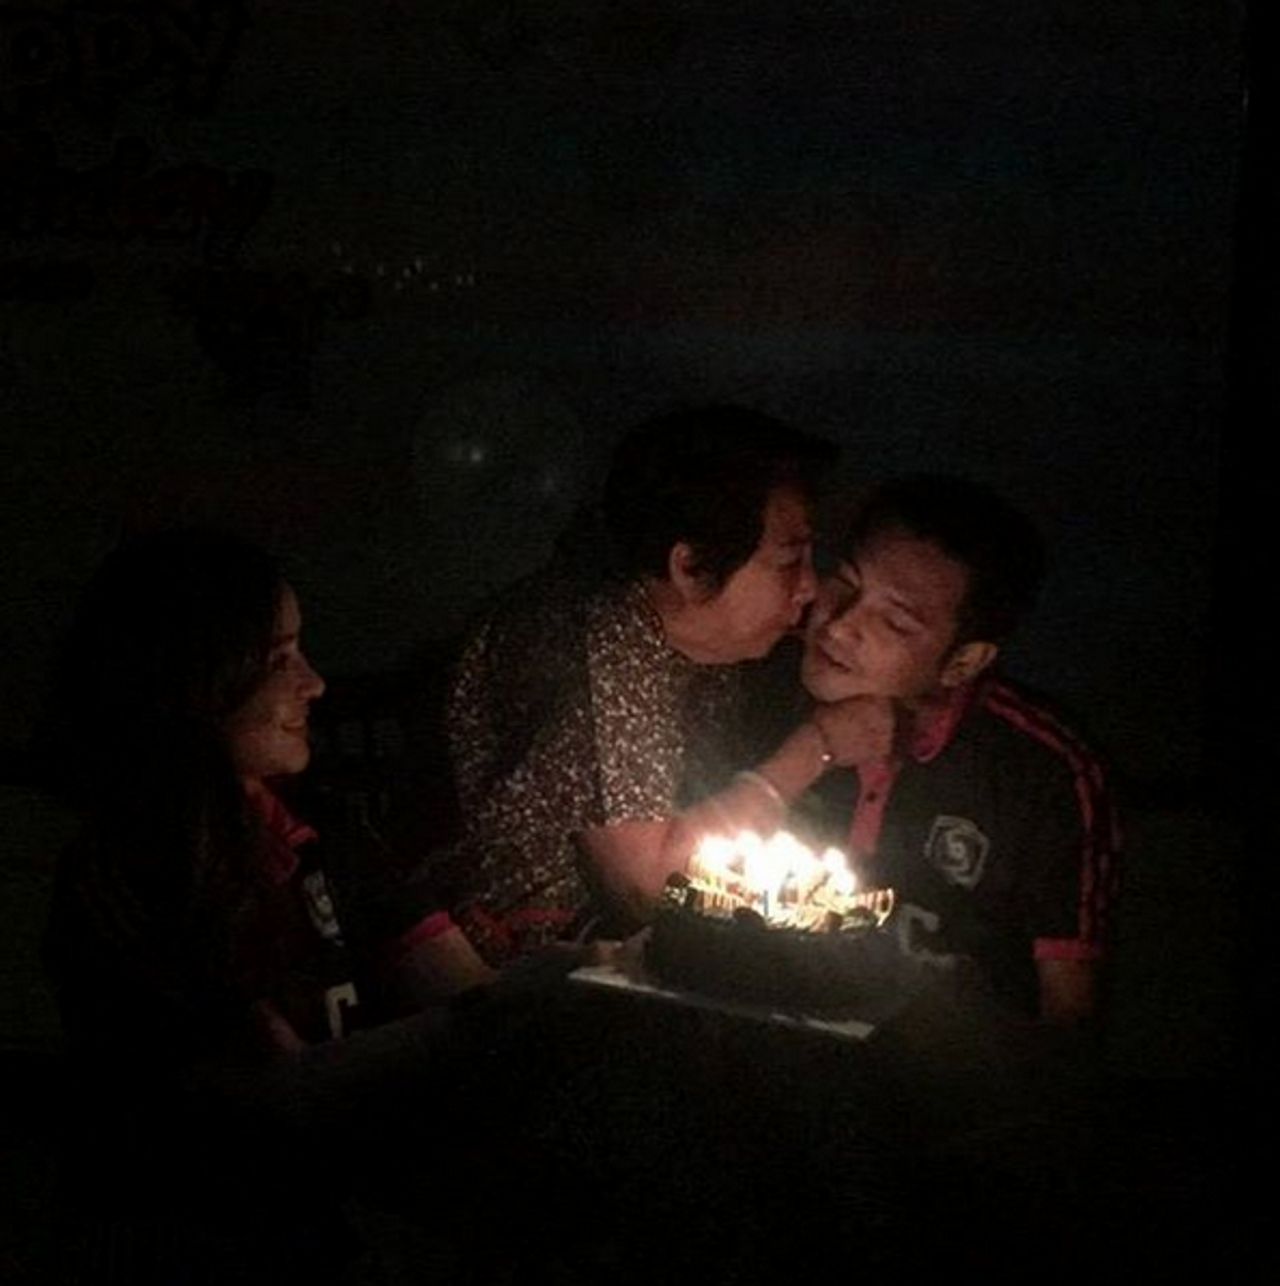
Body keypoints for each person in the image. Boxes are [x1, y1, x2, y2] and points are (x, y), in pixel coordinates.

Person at [39, 528, 492, 1284]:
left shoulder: (321, 833)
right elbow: (277, 1101)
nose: (315, 683)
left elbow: (463, 989)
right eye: (281, 659)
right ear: (197, 682)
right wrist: (505, 1014)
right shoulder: (129, 882)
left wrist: (561, 989)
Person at [445, 405, 891, 961]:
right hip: (515, 971)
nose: (809, 587)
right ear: (690, 566)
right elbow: (652, 890)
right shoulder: (599, 641)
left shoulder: (718, 642)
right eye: (787, 561)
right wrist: (817, 746)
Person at [796, 475, 1119, 1027]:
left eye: (894, 621)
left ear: (963, 663)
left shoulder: (1041, 772)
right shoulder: (763, 688)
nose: (841, 625)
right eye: (845, 583)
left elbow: (1067, 1014)